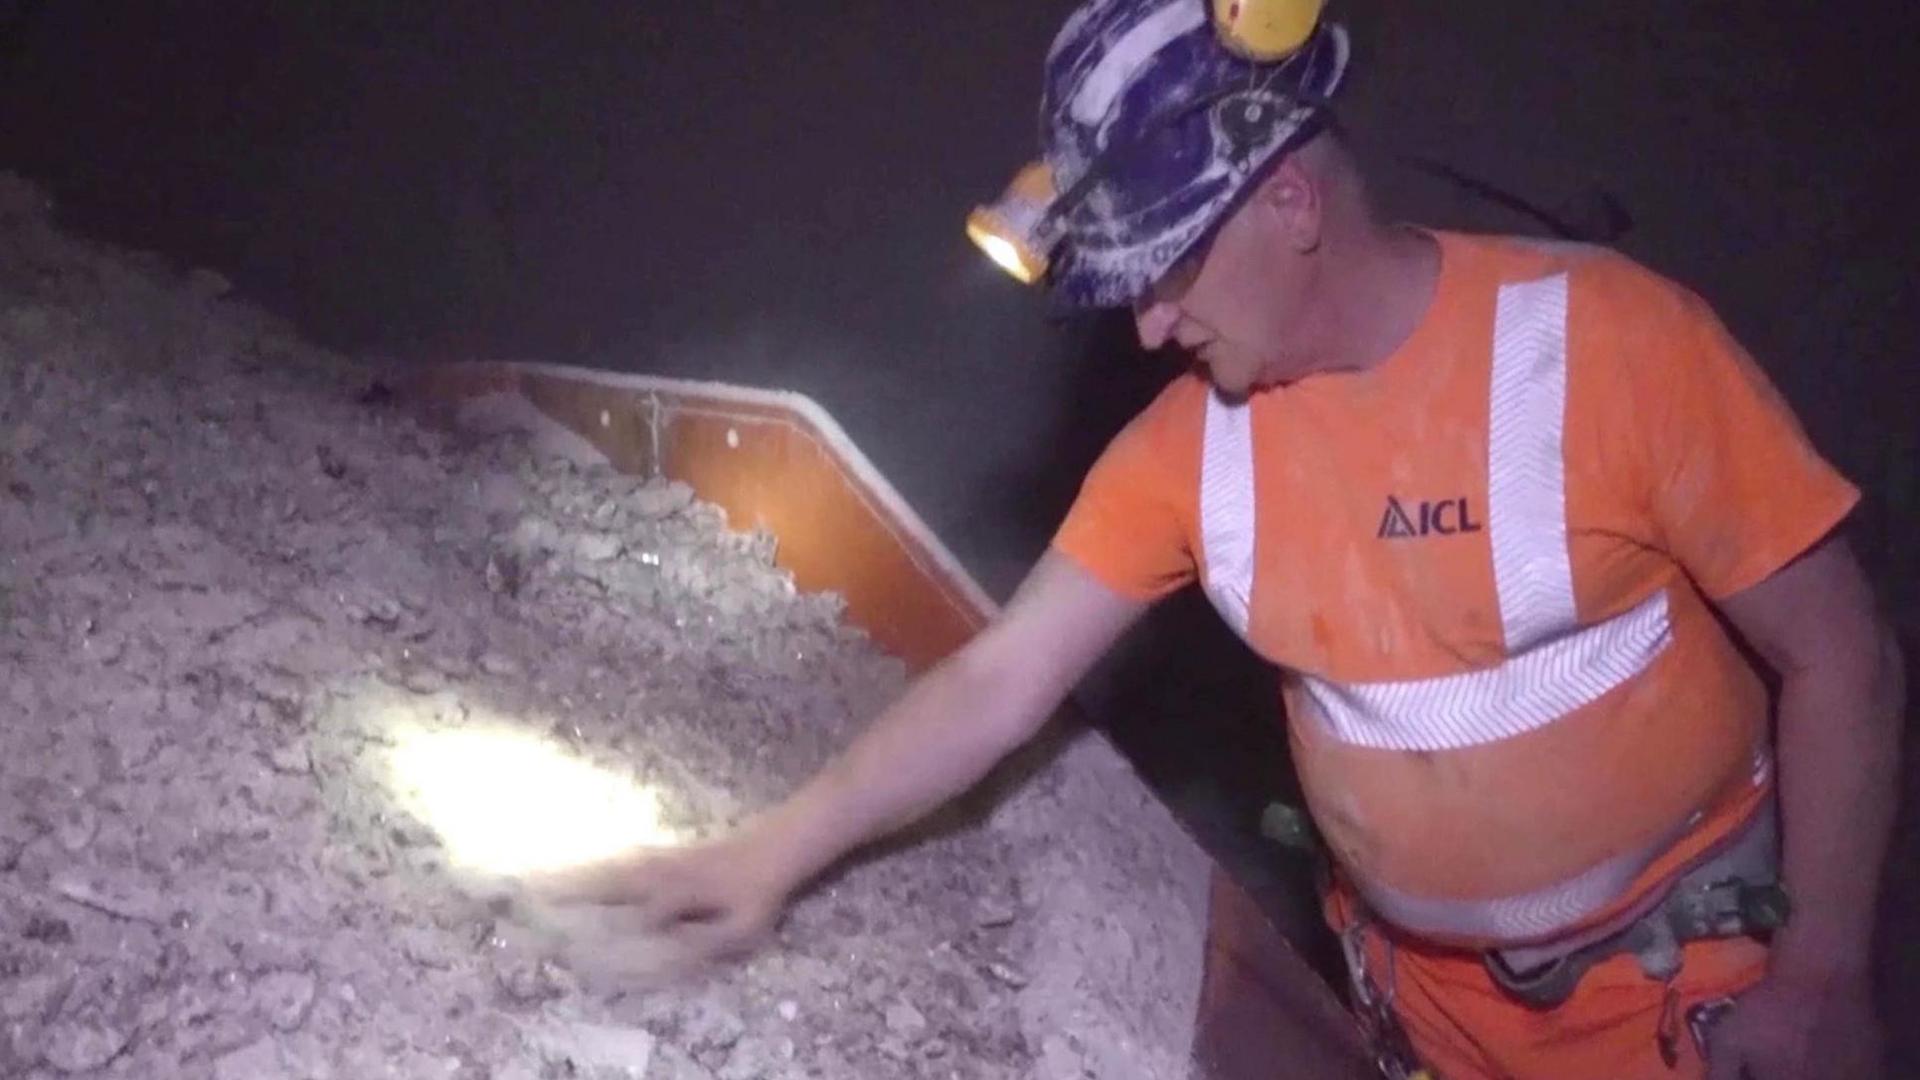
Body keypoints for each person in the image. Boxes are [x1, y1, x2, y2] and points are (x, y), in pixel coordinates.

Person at [533, 2, 1905, 1076]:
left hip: (1674, 999)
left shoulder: (1611, 350)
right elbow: (1000, 684)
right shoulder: (1196, 452)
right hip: (1421, 1010)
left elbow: (1843, 657)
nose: (1146, 326)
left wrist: (1825, 975)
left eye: (1168, 270)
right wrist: (769, 852)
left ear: (1292, 204)